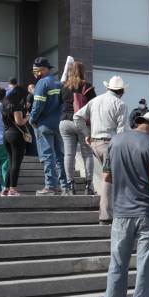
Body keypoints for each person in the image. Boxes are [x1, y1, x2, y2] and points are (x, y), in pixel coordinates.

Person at [100, 111, 149, 297]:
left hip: (121, 212)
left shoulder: (116, 141)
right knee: (146, 266)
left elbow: (107, 176)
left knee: (118, 263)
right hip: (148, 212)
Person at [74, 76, 127, 222]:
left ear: (107, 88)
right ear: (121, 91)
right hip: (110, 144)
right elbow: (122, 132)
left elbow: (77, 116)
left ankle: (110, 212)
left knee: (109, 176)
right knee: (109, 178)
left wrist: (87, 134)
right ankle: (106, 214)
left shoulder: (95, 100)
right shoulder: (120, 104)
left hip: (95, 143)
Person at [30, 57, 69, 195]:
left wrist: (32, 119)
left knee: (47, 155)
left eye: (36, 70)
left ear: (43, 70)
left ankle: (51, 186)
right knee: (60, 156)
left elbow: (38, 105)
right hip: (58, 123)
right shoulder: (58, 83)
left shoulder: (42, 83)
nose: (35, 73)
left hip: (44, 124)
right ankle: (65, 186)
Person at [60, 61, 97, 195]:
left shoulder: (63, 86)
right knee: (87, 153)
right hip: (81, 122)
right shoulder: (87, 86)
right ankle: (89, 186)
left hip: (65, 122)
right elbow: (94, 106)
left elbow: (59, 102)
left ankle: (69, 186)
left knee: (69, 155)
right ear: (82, 71)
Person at [2, 78, 31, 196]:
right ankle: (13, 189)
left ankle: (6, 189)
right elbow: (19, 121)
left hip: (6, 134)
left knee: (10, 162)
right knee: (16, 163)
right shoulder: (16, 105)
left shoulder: (4, 104)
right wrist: (27, 117)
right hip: (16, 135)